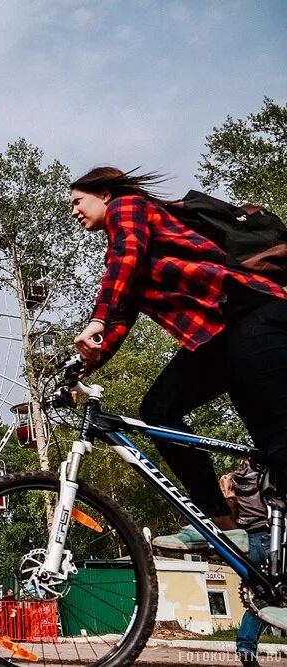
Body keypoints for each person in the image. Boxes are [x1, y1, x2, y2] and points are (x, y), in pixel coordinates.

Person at [70, 167, 287, 566]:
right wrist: (81, 367)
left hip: (252, 314)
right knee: (159, 410)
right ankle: (222, 525)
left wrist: (96, 319)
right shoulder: (127, 247)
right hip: (220, 337)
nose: (73, 212)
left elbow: (125, 261)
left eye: (77, 201)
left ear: (103, 193)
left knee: (278, 444)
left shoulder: (128, 207)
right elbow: (122, 314)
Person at [223, 460, 270, 667]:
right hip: (271, 538)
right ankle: (246, 645)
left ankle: (245, 646)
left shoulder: (231, 479)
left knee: (263, 596)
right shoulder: (269, 474)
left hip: (247, 543)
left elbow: (227, 516)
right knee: (272, 594)